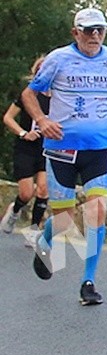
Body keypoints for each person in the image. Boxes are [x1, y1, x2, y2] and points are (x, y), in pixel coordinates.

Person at [23, 8, 107, 305]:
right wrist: (42, 120)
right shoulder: (58, 59)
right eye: (89, 30)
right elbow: (29, 94)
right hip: (62, 149)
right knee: (64, 219)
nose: (95, 35)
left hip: (100, 147)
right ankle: (45, 238)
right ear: (75, 32)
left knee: (97, 211)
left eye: (100, 30)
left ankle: (88, 282)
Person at [2, 56, 50, 240]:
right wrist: (23, 133)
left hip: (47, 149)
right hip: (26, 148)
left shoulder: (61, 97)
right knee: (26, 192)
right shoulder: (29, 95)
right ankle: (15, 211)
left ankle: (34, 230)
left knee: (43, 189)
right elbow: (8, 118)